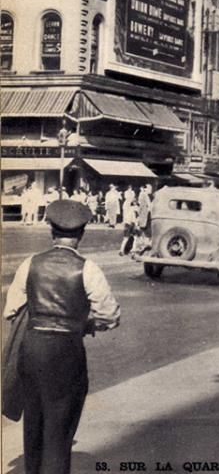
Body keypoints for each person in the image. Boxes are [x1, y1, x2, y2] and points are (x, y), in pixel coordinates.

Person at [3, 199, 120, 474]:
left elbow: (11, 310)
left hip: (31, 351)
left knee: (34, 422)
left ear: (51, 231)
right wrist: (87, 325)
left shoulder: (30, 263)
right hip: (67, 352)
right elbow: (111, 316)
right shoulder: (88, 268)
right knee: (60, 426)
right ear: (81, 233)